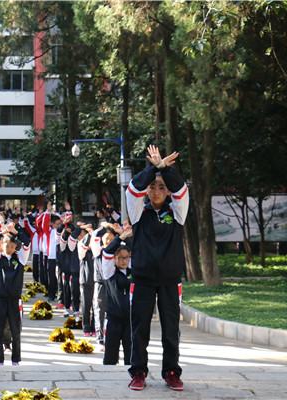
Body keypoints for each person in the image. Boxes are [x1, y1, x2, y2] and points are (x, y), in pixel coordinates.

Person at [126, 145, 189, 391]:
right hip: (141, 278)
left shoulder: (177, 213)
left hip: (170, 280)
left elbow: (182, 190)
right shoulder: (138, 212)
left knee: (171, 329)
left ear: (167, 191)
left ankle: (171, 372)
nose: (155, 191)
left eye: (161, 186)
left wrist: (163, 169)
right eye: (152, 186)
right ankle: (138, 372)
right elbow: (132, 189)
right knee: (139, 328)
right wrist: (154, 168)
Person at [0, 218, 31, 366]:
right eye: (6, 245)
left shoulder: (20, 259)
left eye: (12, 246)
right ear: (2, 246)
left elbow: (27, 242)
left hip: (14, 300)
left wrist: (15, 232)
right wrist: (2, 232)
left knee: (15, 329)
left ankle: (15, 359)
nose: (9, 248)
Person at [101, 224, 133, 365]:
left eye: (126, 258)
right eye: (120, 258)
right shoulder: (109, 273)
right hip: (113, 321)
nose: (123, 261)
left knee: (131, 357)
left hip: (131, 321)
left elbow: (138, 251)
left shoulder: (134, 273)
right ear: (115, 259)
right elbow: (107, 252)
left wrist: (129, 237)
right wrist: (121, 237)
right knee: (110, 358)